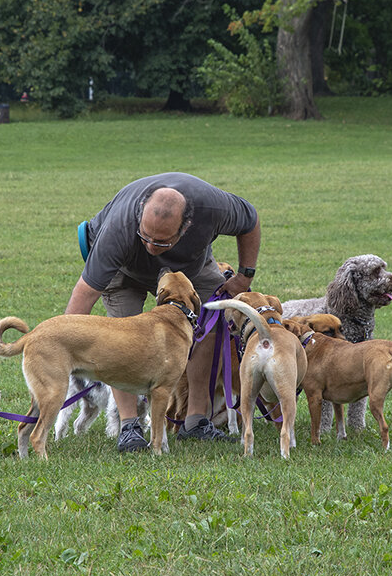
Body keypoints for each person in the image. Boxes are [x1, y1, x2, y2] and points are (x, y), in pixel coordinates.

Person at [67, 173, 261, 451]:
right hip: (123, 269)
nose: (151, 247)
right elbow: (83, 296)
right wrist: (62, 346)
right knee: (121, 338)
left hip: (190, 267)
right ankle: (129, 426)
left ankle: (195, 419)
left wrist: (244, 277)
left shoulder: (214, 208)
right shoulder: (118, 229)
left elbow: (250, 221)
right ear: (140, 218)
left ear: (186, 227)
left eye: (161, 242)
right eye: (146, 237)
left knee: (209, 320)